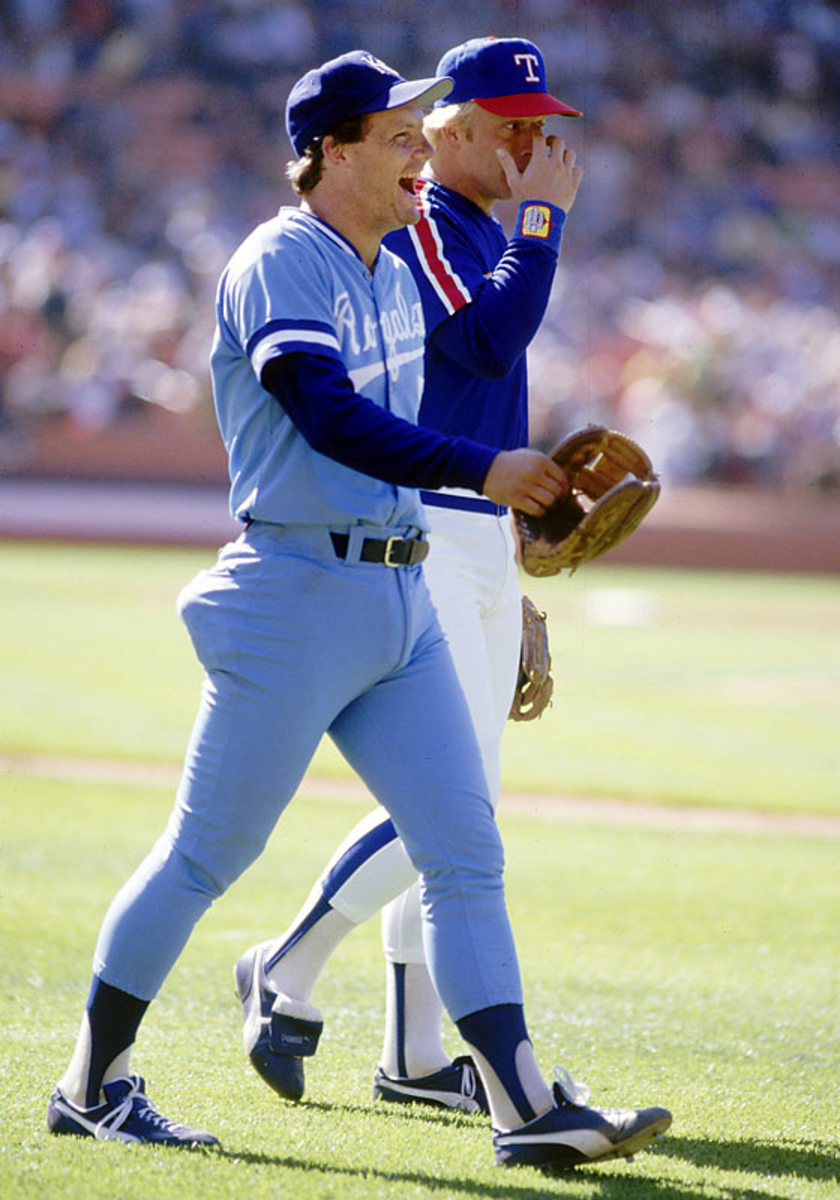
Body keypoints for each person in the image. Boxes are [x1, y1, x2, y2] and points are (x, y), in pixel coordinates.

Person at [231, 39, 671, 1169]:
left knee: (466, 800)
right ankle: (286, 964)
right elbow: (484, 337)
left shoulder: (474, 221)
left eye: (540, 121)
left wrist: (513, 561)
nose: (533, 140)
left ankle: (416, 1051)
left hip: (472, 527)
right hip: (425, 520)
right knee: (454, 804)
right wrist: (543, 223)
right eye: (510, 120)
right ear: (449, 127)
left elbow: (486, 375)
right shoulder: (430, 215)